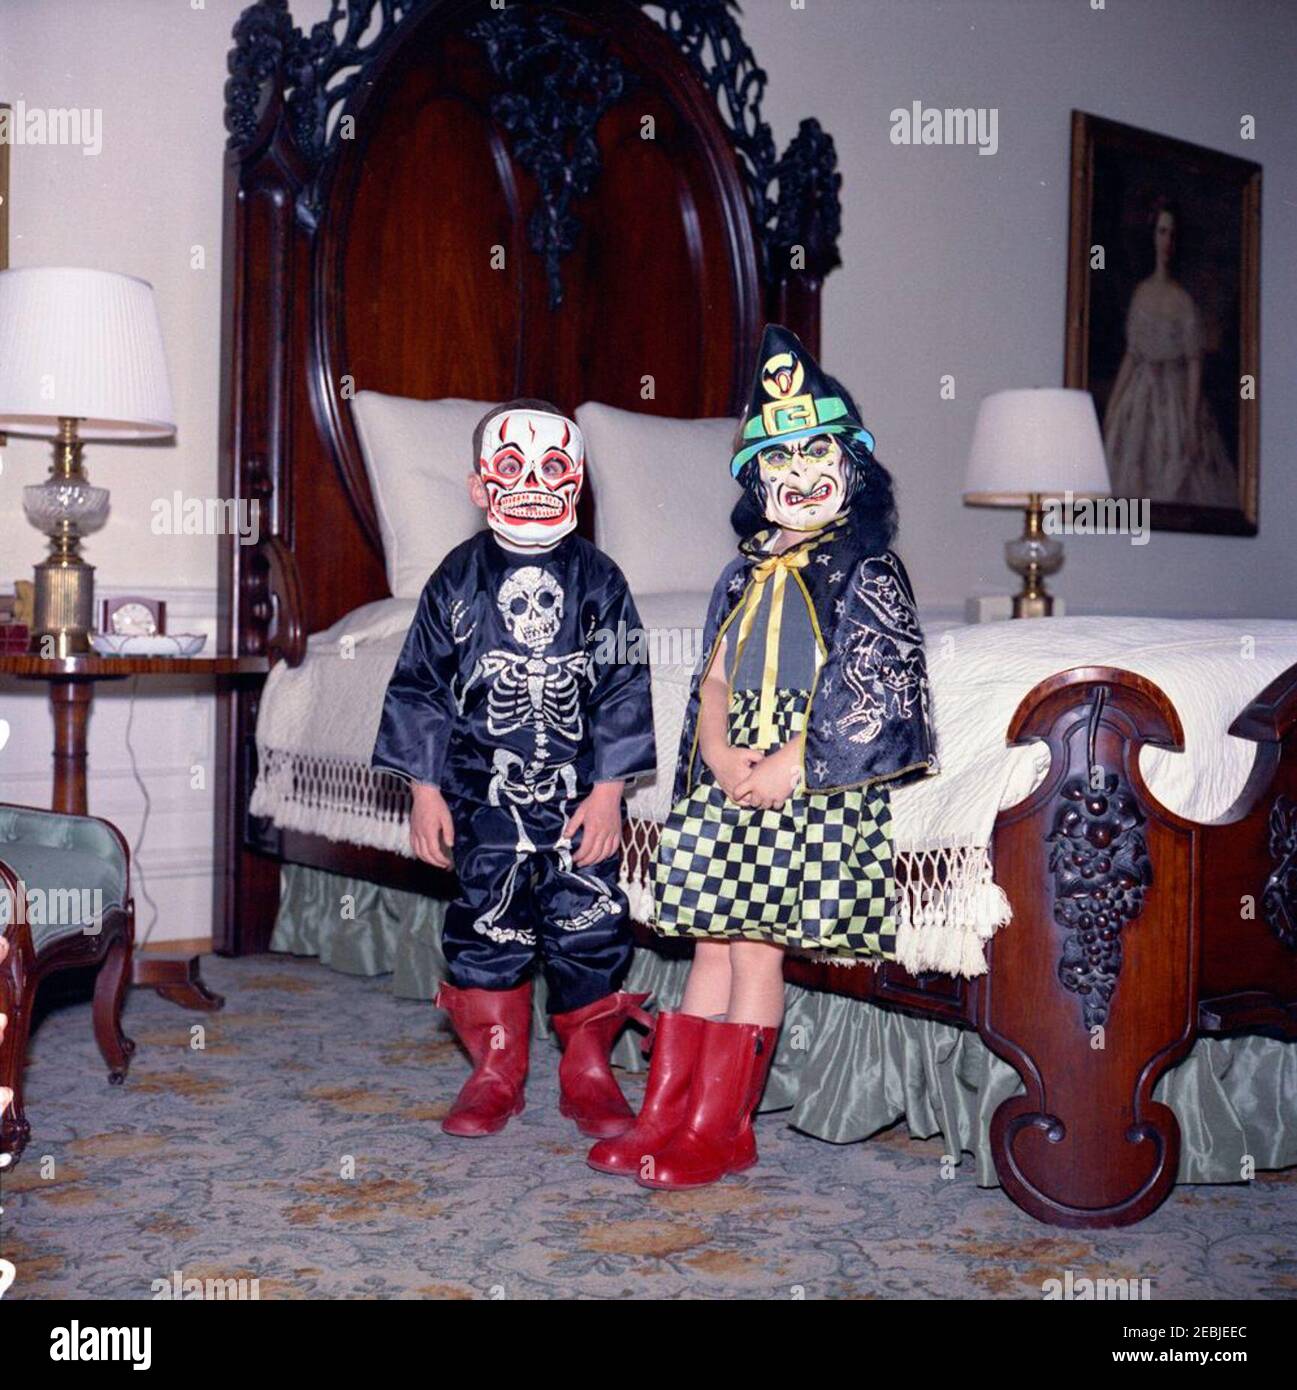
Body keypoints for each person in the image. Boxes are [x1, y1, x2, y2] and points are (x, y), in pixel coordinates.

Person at [589, 325, 937, 1189]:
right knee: (708, 941)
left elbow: (876, 680)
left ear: (853, 467)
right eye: (777, 463)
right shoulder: (737, 575)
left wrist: (792, 759)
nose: (798, 475)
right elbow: (709, 680)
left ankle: (722, 1125)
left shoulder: (868, 569)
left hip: (804, 774)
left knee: (753, 948)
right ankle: (666, 1111)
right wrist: (714, 749)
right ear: (755, 482)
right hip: (726, 769)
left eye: (816, 454)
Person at [373, 400, 654, 1140]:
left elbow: (624, 685)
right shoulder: (456, 578)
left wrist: (608, 792)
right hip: (481, 793)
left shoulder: (599, 580)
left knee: (589, 920)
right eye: (511, 467)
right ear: (478, 487)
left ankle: (585, 1069)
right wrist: (424, 789)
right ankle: (495, 1069)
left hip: (577, 793)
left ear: (580, 480)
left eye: (554, 467)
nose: (533, 482)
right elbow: (420, 685)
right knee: (485, 922)